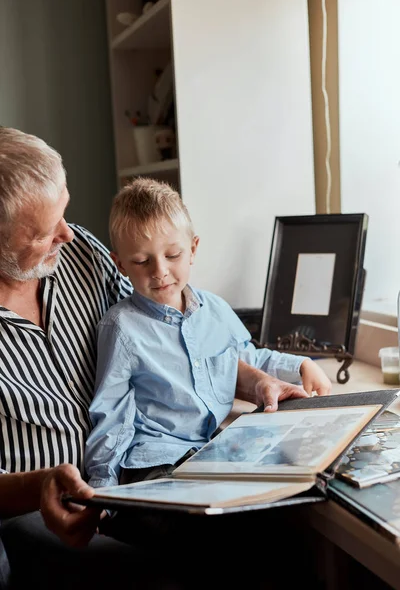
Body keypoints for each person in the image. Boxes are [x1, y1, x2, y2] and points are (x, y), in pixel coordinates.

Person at [0, 127, 329, 588]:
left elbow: (174, 341)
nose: (66, 234)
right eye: (41, 231)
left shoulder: (83, 257)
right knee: (190, 563)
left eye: (64, 212)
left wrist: (257, 380)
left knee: (282, 531)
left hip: (163, 469)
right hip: (46, 507)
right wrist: (58, 488)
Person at [85, 178, 331, 491]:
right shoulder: (121, 327)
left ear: (193, 250)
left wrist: (299, 365)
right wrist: (103, 490)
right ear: (119, 264)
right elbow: (111, 413)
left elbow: (243, 357)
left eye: (172, 255)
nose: (159, 271)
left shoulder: (214, 309)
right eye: (142, 261)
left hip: (208, 451)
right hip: (154, 462)